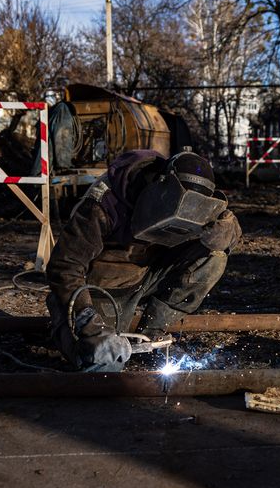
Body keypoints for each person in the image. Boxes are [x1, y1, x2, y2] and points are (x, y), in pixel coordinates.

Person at [45, 149, 242, 372]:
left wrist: (228, 234)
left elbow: (224, 234)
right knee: (103, 361)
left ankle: (151, 336)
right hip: (103, 289)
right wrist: (87, 322)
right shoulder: (104, 204)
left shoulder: (195, 204)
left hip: (148, 276)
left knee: (214, 256)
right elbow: (64, 266)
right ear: (159, 187)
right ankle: (68, 329)